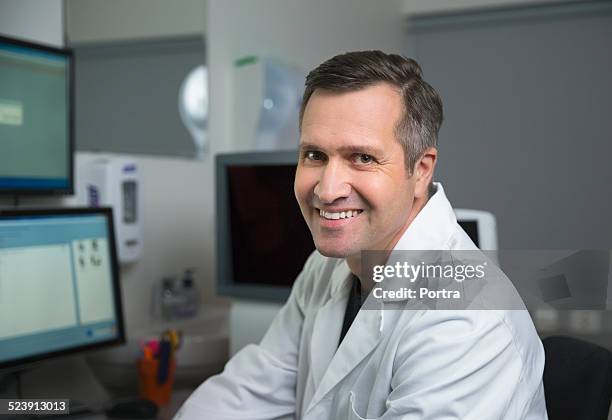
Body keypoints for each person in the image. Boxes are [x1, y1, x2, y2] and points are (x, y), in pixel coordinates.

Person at [175, 51, 547, 419]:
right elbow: (246, 393)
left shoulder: (468, 320)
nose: (327, 189)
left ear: (420, 170)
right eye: (315, 155)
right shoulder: (326, 268)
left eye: (363, 158)